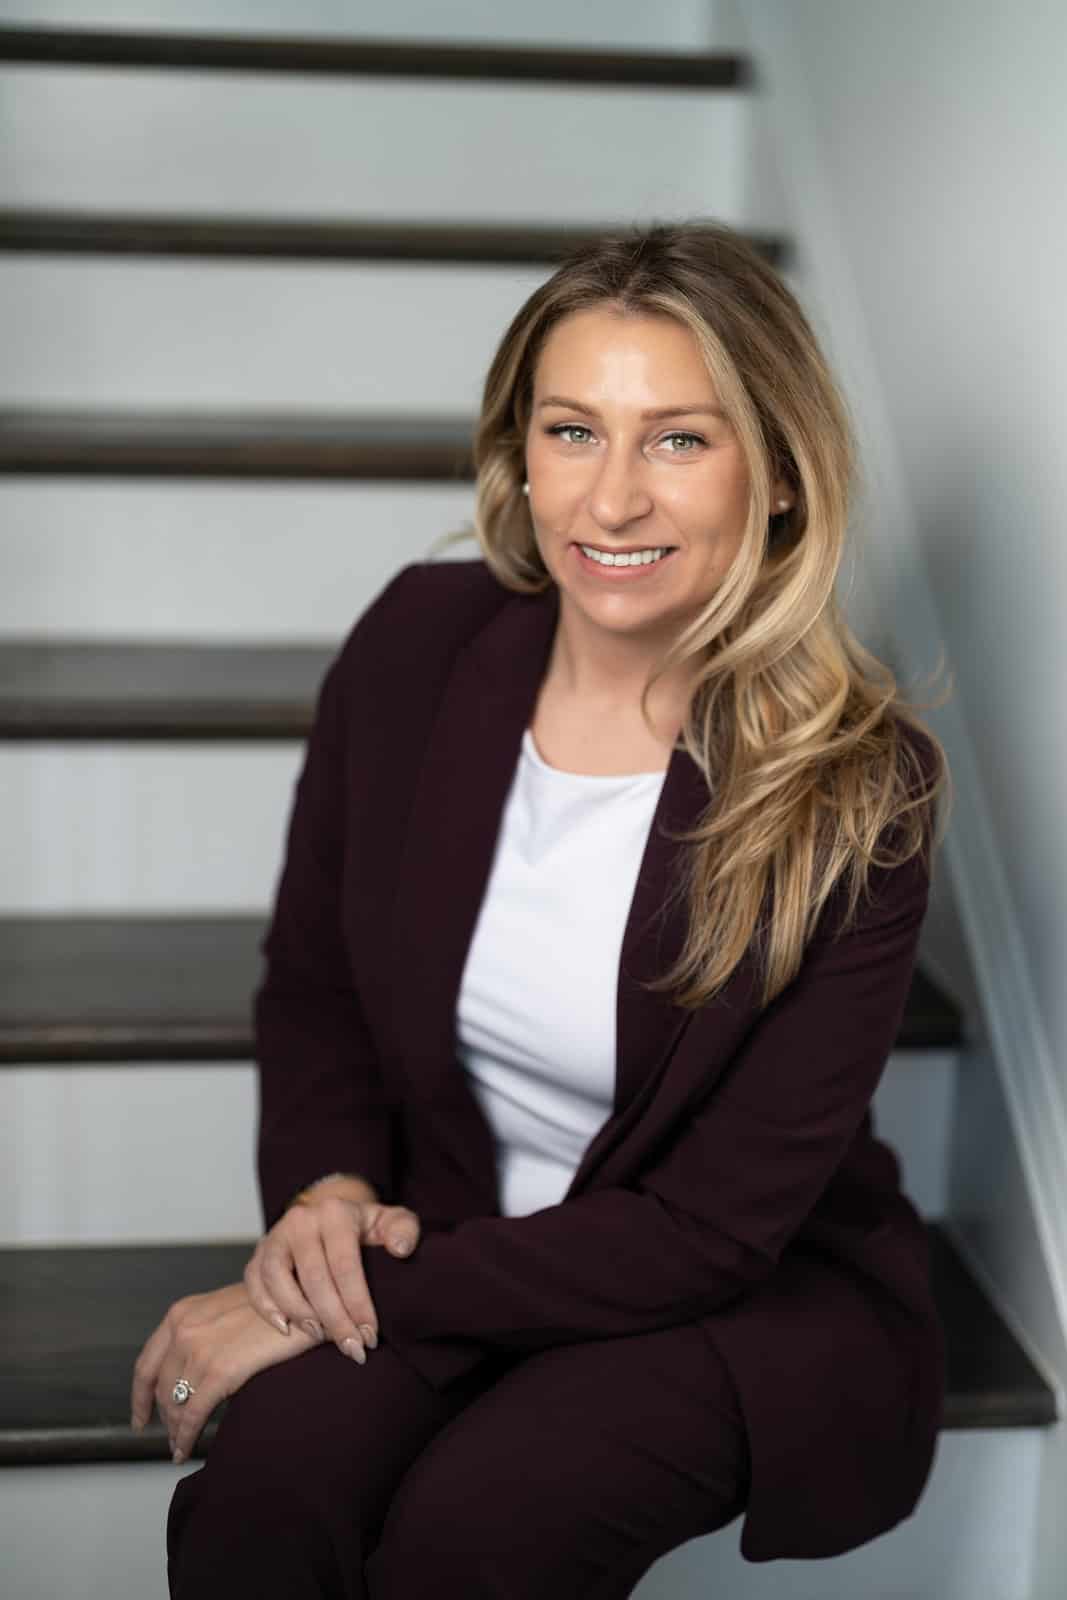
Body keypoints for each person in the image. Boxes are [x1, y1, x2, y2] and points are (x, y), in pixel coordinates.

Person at [132, 219, 952, 1599]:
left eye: (678, 440)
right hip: (442, 1225)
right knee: (265, 1501)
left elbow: (711, 1230)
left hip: (730, 1292)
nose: (612, 500)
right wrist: (330, 1194)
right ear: (520, 456)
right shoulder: (419, 641)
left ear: (780, 477)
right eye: (574, 431)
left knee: (479, 1537)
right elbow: (318, 982)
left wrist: (353, 1301)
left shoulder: (860, 791)